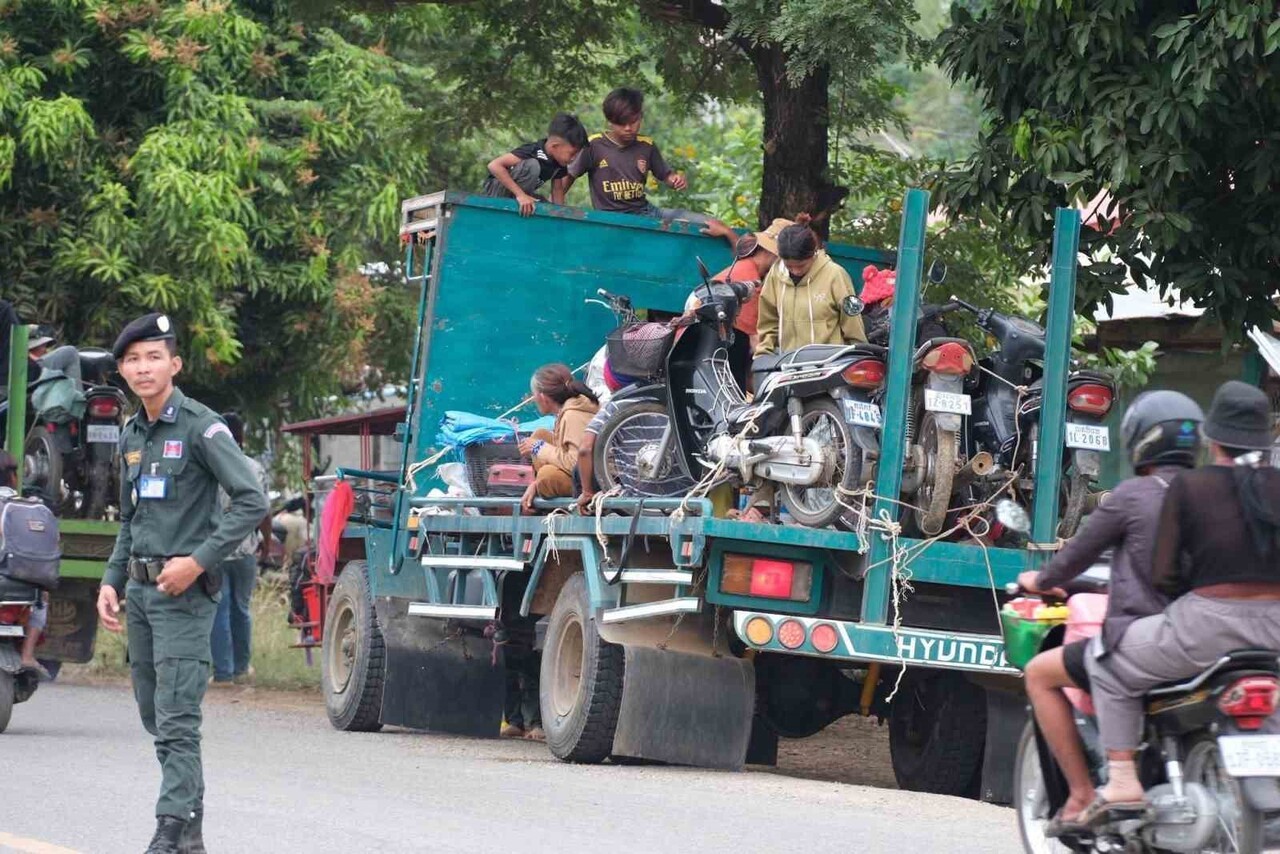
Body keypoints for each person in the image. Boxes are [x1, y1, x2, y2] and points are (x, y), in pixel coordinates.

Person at [95, 313, 268, 854]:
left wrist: (198, 561)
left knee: (177, 720)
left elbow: (252, 501)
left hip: (184, 596)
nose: (142, 368)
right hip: (141, 594)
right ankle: (190, 840)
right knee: (156, 716)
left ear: (175, 364)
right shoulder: (132, 433)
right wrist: (111, 580)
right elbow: (131, 518)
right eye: (132, 360)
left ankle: (168, 832)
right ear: (122, 371)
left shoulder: (202, 427)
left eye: (153, 357)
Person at [1082, 380, 1280, 821]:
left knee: (1104, 661)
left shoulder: (1190, 487)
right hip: (1274, 634)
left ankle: (1122, 778)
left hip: (1203, 628)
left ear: (1212, 441)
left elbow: (1164, 574)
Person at [1014, 390, 1204, 835]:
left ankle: (1082, 793)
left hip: (1147, 641)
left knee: (1040, 673)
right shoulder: (1212, 496)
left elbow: (1075, 557)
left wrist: (1041, 580)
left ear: (1141, 440)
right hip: (1210, 640)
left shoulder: (1132, 495)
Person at [564, 87, 737, 248]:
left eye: (633, 121)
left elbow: (666, 175)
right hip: (611, 220)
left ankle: (738, 246)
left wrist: (674, 180)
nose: (628, 128)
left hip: (646, 214)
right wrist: (556, 207)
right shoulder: (594, 145)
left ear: (640, 116)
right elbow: (569, 175)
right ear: (609, 121)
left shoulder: (646, 146)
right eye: (621, 123)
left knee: (707, 223)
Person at [208, 411, 271, 687]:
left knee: (219, 610)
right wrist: (265, 544)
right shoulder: (255, 468)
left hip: (215, 550)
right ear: (242, 436)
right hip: (246, 548)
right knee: (241, 609)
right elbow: (264, 511)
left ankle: (223, 672)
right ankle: (242, 668)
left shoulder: (210, 467)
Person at [755, 219, 867, 355]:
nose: (795, 271)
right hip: (788, 361)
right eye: (789, 266)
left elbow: (852, 322)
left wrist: (858, 353)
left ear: (813, 254)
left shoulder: (835, 275)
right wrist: (763, 354)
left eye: (801, 265)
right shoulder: (776, 274)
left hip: (829, 361)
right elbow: (768, 321)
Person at [518, 363, 599, 513]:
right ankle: (536, 489)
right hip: (580, 471)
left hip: (589, 480)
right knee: (540, 435)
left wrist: (539, 448)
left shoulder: (573, 415)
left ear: (543, 397)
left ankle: (550, 507)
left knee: (546, 476)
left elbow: (576, 463)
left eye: (534, 395)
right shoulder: (568, 410)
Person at [481, 112, 588, 216]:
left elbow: (557, 190)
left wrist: (560, 213)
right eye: (572, 153)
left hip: (520, 194)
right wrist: (521, 195)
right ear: (555, 146)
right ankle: (518, 199)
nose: (574, 158)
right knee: (533, 165)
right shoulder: (533, 151)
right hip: (497, 191)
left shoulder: (559, 164)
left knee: (545, 205)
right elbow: (494, 165)